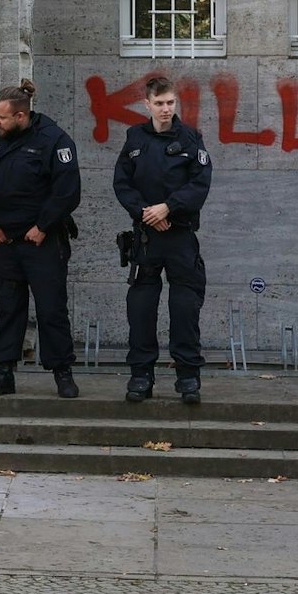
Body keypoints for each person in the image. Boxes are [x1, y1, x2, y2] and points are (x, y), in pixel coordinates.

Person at [0, 80, 82, 398]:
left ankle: (62, 372)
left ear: (21, 116)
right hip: (5, 244)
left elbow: (67, 191)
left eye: (2, 117)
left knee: (51, 309)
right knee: (8, 309)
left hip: (42, 241)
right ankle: (3, 372)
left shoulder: (54, 140)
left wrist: (44, 226)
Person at [112, 75, 213, 404]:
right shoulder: (134, 138)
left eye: (170, 103)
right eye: (159, 103)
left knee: (184, 307)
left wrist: (168, 208)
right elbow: (122, 183)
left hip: (180, 235)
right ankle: (141, 375)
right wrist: (146, 213)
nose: (166, 109)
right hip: (146, 238)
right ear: (147, 105)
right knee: (141, 308)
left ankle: (187, 378)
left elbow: (200, 184)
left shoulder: (190, 138)